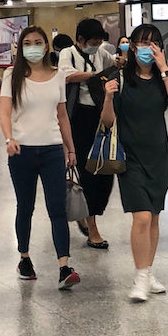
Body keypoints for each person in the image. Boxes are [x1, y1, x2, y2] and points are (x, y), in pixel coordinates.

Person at [101, 24, 168, 301]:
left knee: (155, 217)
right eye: (141, 43)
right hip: (129, 157)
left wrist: (165, 69)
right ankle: (139, 276)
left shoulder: (163, 78)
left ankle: (147, 272)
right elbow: (107, 121)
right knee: (142, 216)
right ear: (132, 47)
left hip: (159, 156)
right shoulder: (120, 78)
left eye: (153, 43)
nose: (146, 49)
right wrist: (109, 97)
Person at [0, 26, 81, 290]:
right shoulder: (12, 75)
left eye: (38, 42)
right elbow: (4, 111)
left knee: (57, 207)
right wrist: (9, 138)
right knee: (26, 206)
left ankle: (64, 266)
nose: (33, 46)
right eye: (28, 42)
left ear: (46, 46)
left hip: (52, 149)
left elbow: (62, 115)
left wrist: (70, 149)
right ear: (20, 47)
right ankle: (24, 257)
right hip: (22, 150)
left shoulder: (58, 76)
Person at [59, 18, 115, 249]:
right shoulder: (68, 53)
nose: (97, 44)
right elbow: (65, 76)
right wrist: (94, 76)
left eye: (100, 40)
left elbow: (113, 69)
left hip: (102, 114)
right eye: (93, 41)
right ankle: (92, 227)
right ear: (80, 40)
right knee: (87, 171)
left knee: (106, 170)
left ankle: (89, 214)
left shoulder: (101, 53)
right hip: (78, 116)